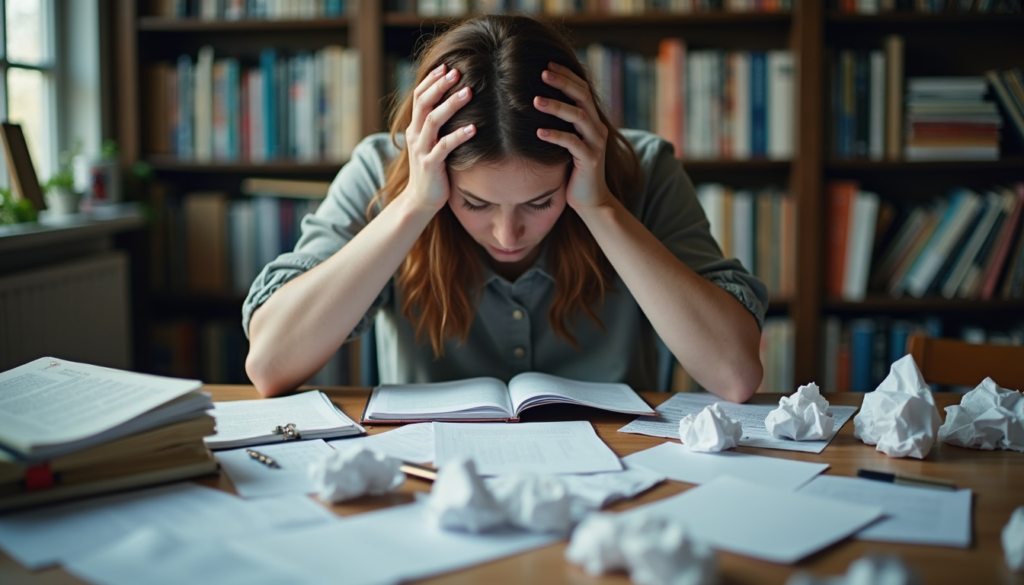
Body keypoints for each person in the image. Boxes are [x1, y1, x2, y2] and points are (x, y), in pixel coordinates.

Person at [243, 14, 768, 401]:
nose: (508, 233)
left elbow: (735, 374)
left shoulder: (644, 169)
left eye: (541, 201)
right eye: (474, 202)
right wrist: (414, 206)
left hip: (619, 469)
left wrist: (601, 206)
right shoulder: (383, 173)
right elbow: (270, 363)